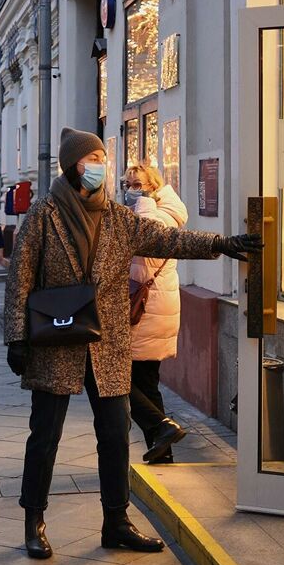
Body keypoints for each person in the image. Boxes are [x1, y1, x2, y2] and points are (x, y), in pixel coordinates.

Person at [3, 127, 262, 560]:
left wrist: (221, 243)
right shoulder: (44, 215)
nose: (100, 166)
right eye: (92, 159)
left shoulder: (116, 217)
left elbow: (169, 239)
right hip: (55, 341)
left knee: (115, 435)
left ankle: (117, 522)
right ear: (72, 166)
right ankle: (34, 520)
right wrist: (16, 336)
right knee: (45, 435)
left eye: (102, 159)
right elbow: (20, 277)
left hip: (107, 341)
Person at [124, 164, 189, 464]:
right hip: (151, 309)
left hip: (147, 311)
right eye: (128, 184)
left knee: (119, 380)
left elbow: (147, 239)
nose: (132, 189)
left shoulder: (157, 215)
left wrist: (143, 203)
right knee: (146, 382)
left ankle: (163, 429)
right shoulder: (155, 212)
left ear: (153, 186)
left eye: (138, 184)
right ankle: (163, 447)